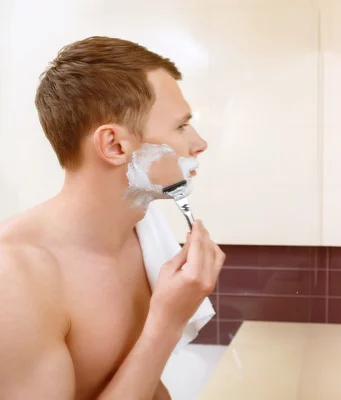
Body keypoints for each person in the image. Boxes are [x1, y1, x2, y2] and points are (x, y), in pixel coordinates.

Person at [0, 37, 225, 399]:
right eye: (181, 127)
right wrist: (166, 322)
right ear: (115, 146)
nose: (199, 143)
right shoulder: (16, 275)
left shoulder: (142, 236)